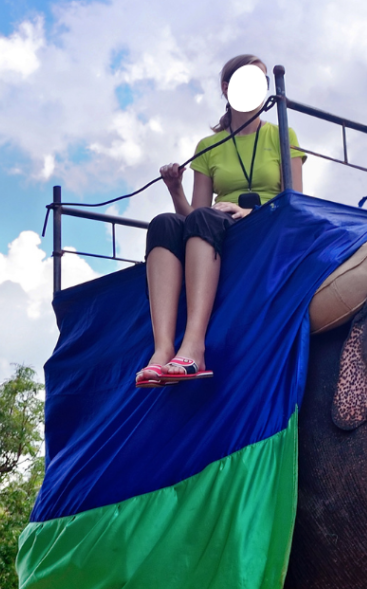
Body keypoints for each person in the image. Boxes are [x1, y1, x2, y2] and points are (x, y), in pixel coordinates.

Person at [136, 55, 306, 387]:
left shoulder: (283, 135)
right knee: (164, 224)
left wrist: (252, 213)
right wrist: (175, 190)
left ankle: (194, 346)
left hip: (266, 223)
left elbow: (296, 201)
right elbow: (192, 217)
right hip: (217, 224)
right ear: (227, 89)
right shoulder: (208, 146)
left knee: (207, 218)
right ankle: (162, 350)